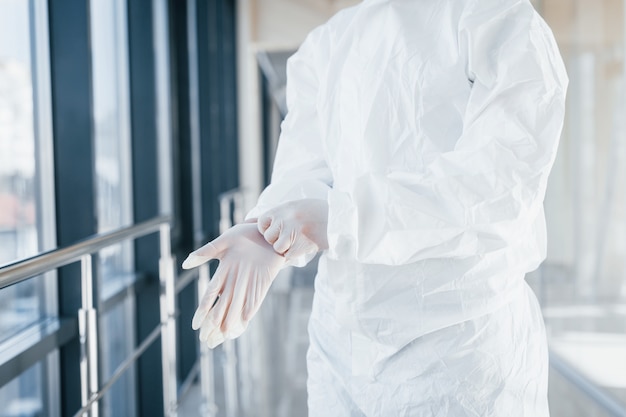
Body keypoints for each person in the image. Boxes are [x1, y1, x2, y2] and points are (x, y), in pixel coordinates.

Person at [182, 0, 568, 415]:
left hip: (460, 359)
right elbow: (302, 167)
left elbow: (496, 189)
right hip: (341, 352)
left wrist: (343, 219)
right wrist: (268, 230)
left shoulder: (497, 19)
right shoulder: (328, 44)